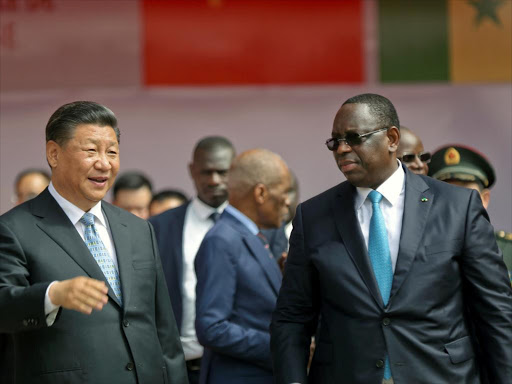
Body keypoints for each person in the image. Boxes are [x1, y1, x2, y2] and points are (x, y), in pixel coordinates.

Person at [270, 93, 512, 384]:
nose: (342, 149)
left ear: (392, 139)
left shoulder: (457, 207)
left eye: (354, 137)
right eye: (335, 141)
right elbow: (292, 318)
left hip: (440, 375)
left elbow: (496, 312)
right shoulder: (313, 217)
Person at [0, 101, 187, 384]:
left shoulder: (137, 229)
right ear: (54, 154)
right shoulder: (14, 228)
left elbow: (164, 329)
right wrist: (52, 295)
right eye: (91, 151)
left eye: (112, 152)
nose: (104, 163)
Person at [195, 149, 291, 384]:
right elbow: (212, 327)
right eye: (284, 190)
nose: (288, 200)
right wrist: (283, 346)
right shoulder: (223, 240)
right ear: (260, 192)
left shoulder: (250, 236)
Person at [150, 136, 235, 384]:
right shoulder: (158, 228)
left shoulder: (255, 227)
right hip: (177, 369)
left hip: (236, 367)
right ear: (192, 170)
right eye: (206, 172)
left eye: (222, 172)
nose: (214, 180)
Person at [429, 144, 512, 283]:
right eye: (446, 193)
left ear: (485, 199)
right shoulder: (416, 252)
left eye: (465, 194)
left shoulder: (509, 252)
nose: (456, 202)